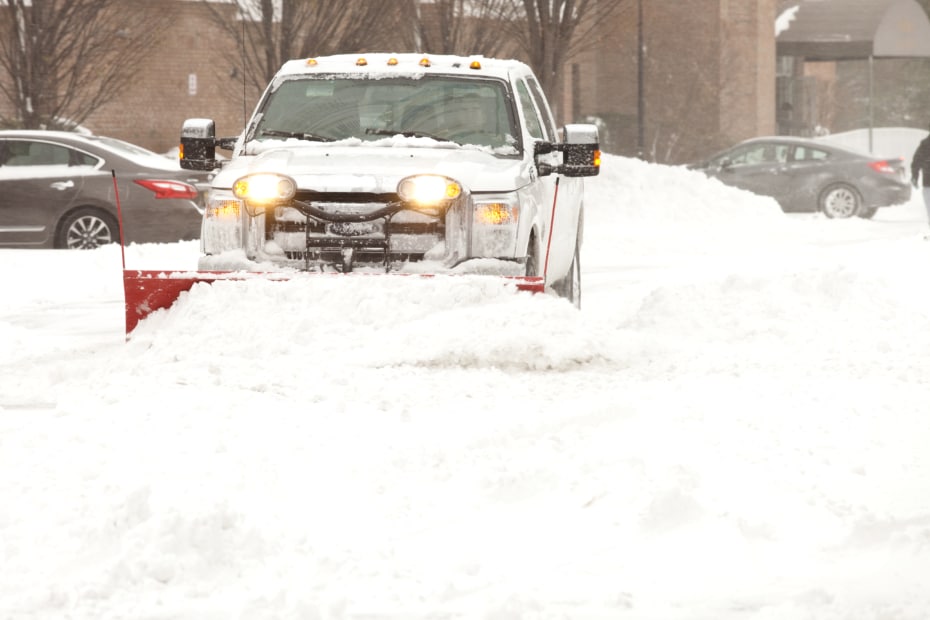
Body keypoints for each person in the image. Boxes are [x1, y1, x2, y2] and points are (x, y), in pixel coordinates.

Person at [912, 125, 930, 229]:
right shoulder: (926, 144)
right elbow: (917, 161)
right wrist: (915, 175)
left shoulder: (925, 143)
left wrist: (915, 174)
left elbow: (916, 161)